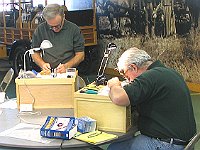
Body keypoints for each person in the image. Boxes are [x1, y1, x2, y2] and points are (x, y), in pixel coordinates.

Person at [107, 47, 196, 150]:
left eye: (127, 77)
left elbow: (118, 97)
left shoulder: (150, 76)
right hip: (184, 143)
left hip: (167, 145)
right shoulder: (167, 72)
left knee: (115, 147)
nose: (129, 81)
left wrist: (114, 85)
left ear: (134, 67)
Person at [31, 4, 85, 73]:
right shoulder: (40, 30)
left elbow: (80, 55)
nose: (54, 29)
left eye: (57, 26)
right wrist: (42, 64)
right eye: (51, 26)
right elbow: (34, 52)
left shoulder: (74, 30)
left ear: (64, 17)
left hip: (68, 72)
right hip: (48, 73)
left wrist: (66, 66)